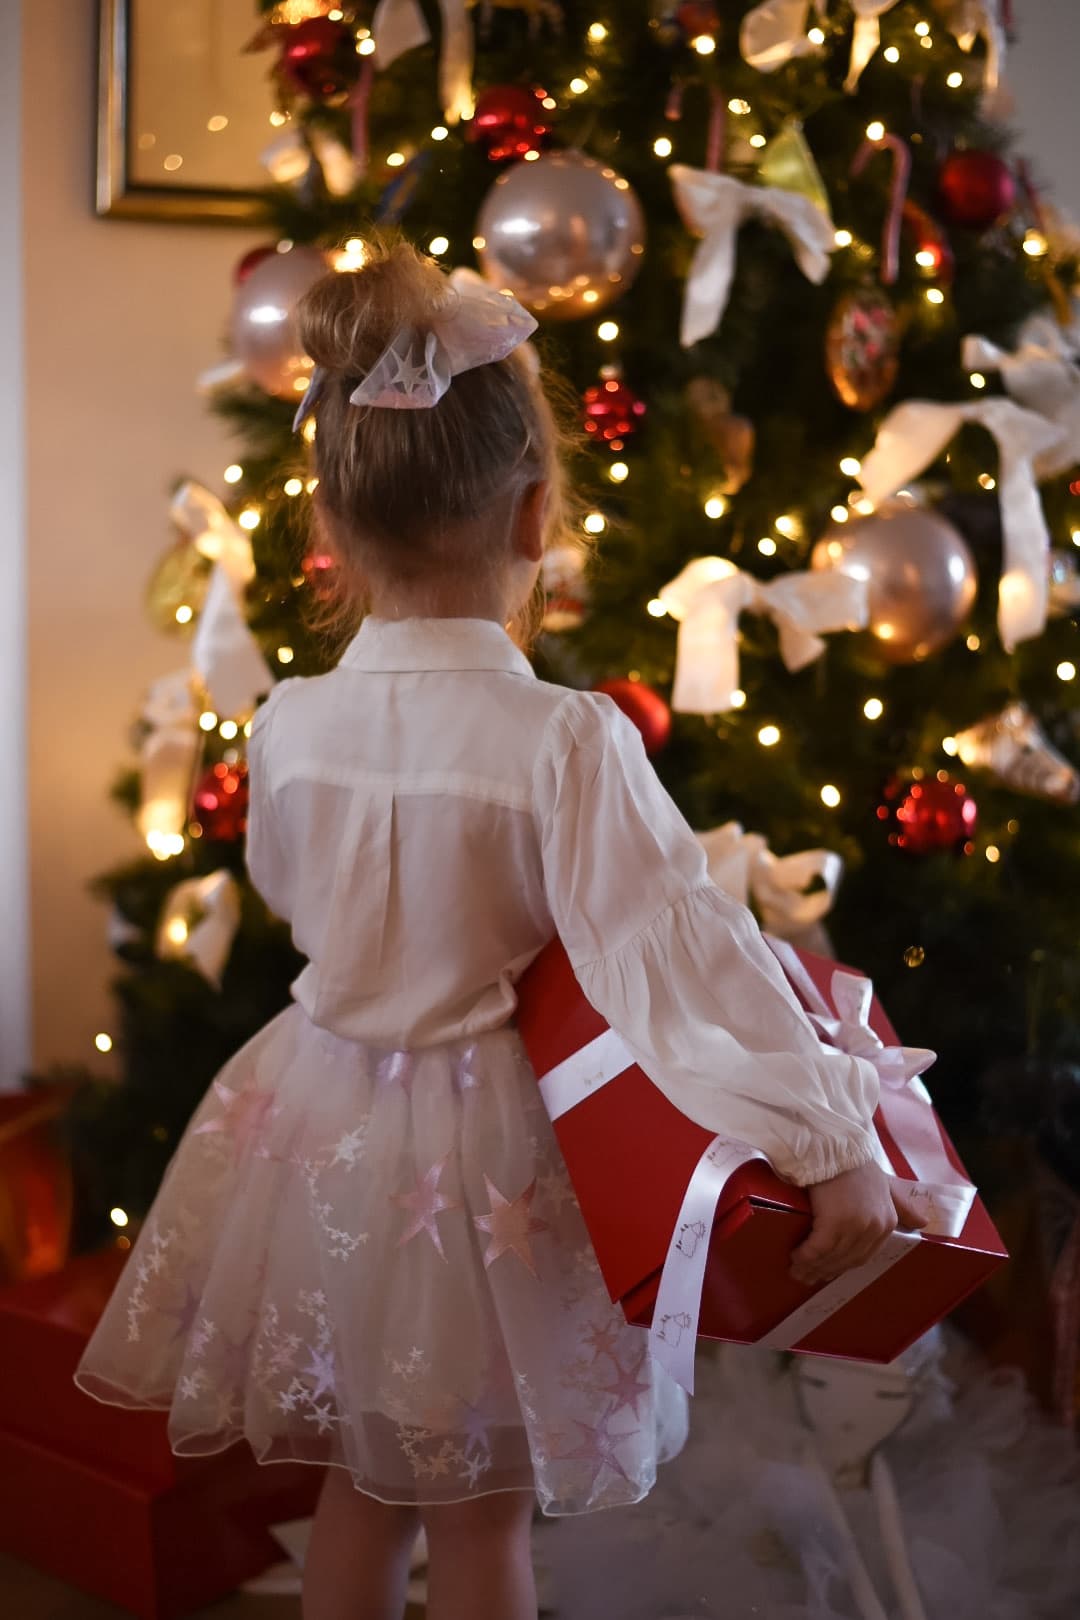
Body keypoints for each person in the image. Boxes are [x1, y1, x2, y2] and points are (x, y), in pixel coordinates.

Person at [74, 241, 927, 1620]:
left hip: (321, 1136)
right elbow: (678, 959)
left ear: (332, 536)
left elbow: (292, 889)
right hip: (490, 1173)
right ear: (537, 518)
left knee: (362, 1489)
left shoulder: (289, 722)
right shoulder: (563, 740)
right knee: (480, 1523)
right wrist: (830, 1138)